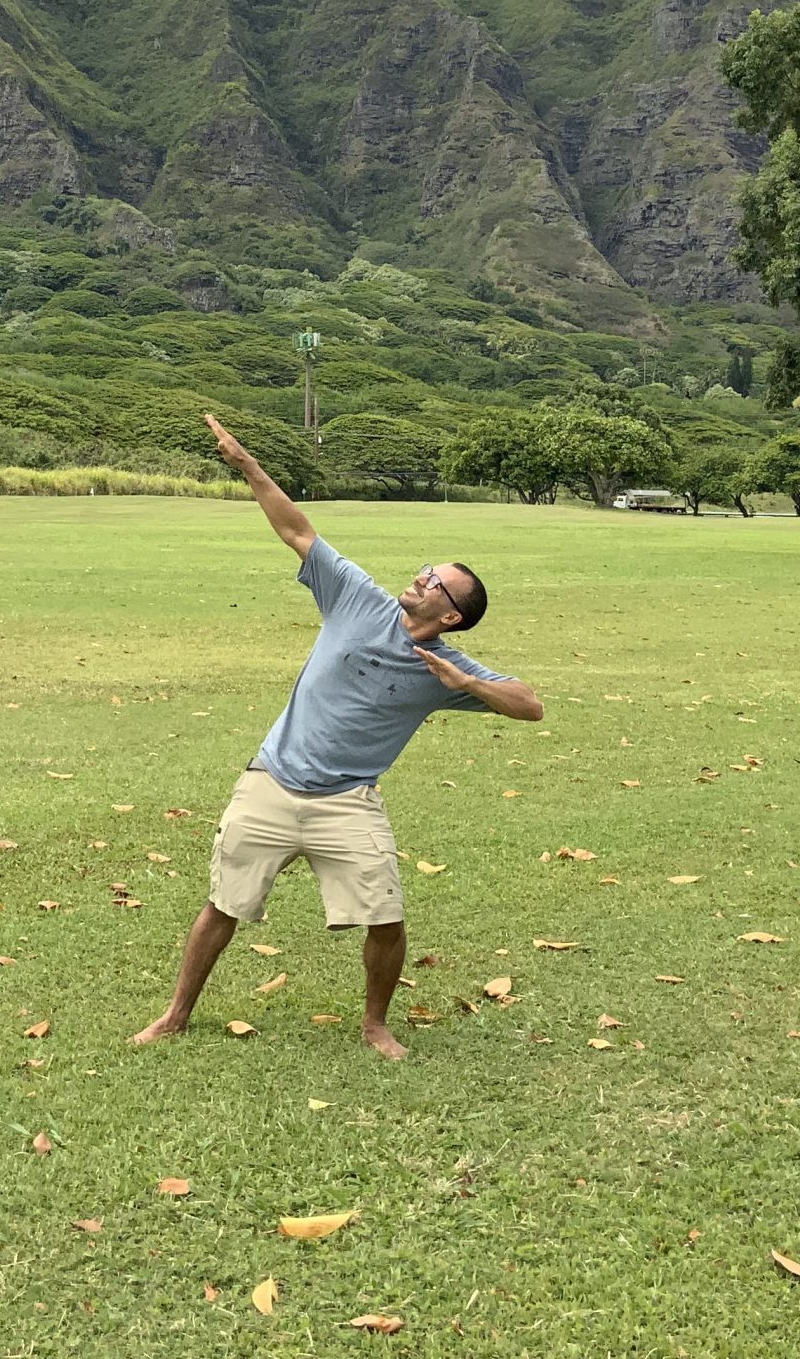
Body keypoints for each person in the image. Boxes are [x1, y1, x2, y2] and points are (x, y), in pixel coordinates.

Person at [130, 414, 543, 1060]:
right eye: (427, 568)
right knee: (222, 906)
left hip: (347, 800)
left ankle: (376, 1024)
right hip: (272, 780)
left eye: (435, 581)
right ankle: (176, 1014)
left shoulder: (450, 670)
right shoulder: (357, 598)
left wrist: (465, 685)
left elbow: (530, 706)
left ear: (451, 615)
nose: (421, 577)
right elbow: (298, 530)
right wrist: (246, 464)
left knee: (386, 918)